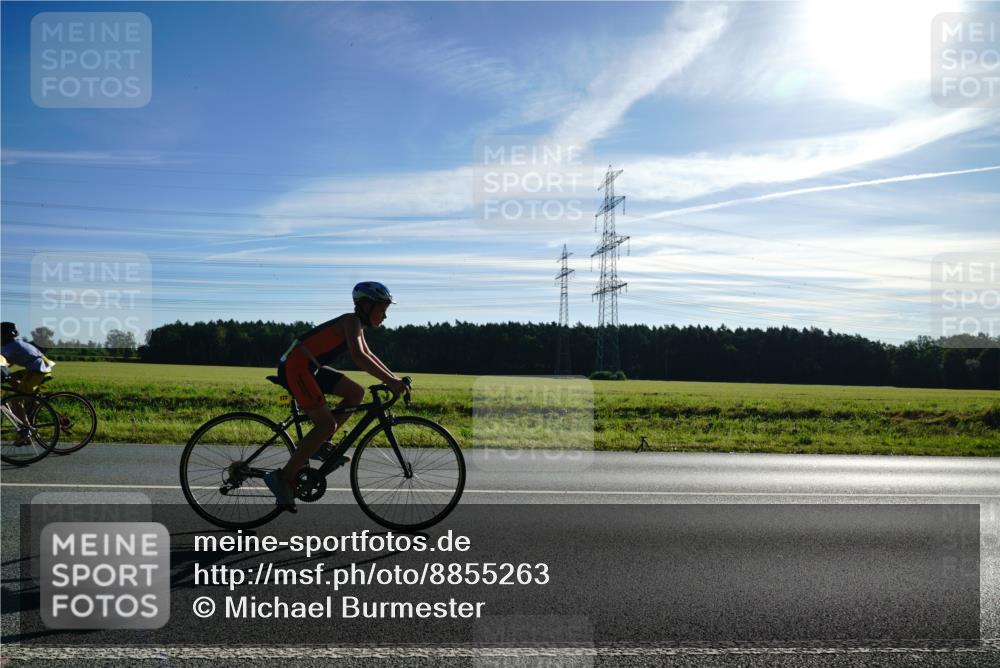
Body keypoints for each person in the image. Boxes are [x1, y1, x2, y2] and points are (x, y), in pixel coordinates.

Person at [264, 282, 409, 511]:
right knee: (326, 424)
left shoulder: (356, 325)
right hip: (297, 367)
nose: (385, 316)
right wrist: (390, 382)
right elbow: (359, 358)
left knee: (356, 393)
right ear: (366, 305)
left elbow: (369, 354)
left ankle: (319, 445)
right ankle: (282, 478)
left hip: (310, 367)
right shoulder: (350, 322)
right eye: (382, 309)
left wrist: (393, 379)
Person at [1, 322, 56, 395]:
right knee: (10, 378)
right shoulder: (16, 343)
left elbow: (3, 362)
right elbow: (9, 362)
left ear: (6, 335)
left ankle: (27, 399)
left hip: (37, 370)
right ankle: (34, 398)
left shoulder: (10, 346)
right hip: (39, 367)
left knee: (19, 396)